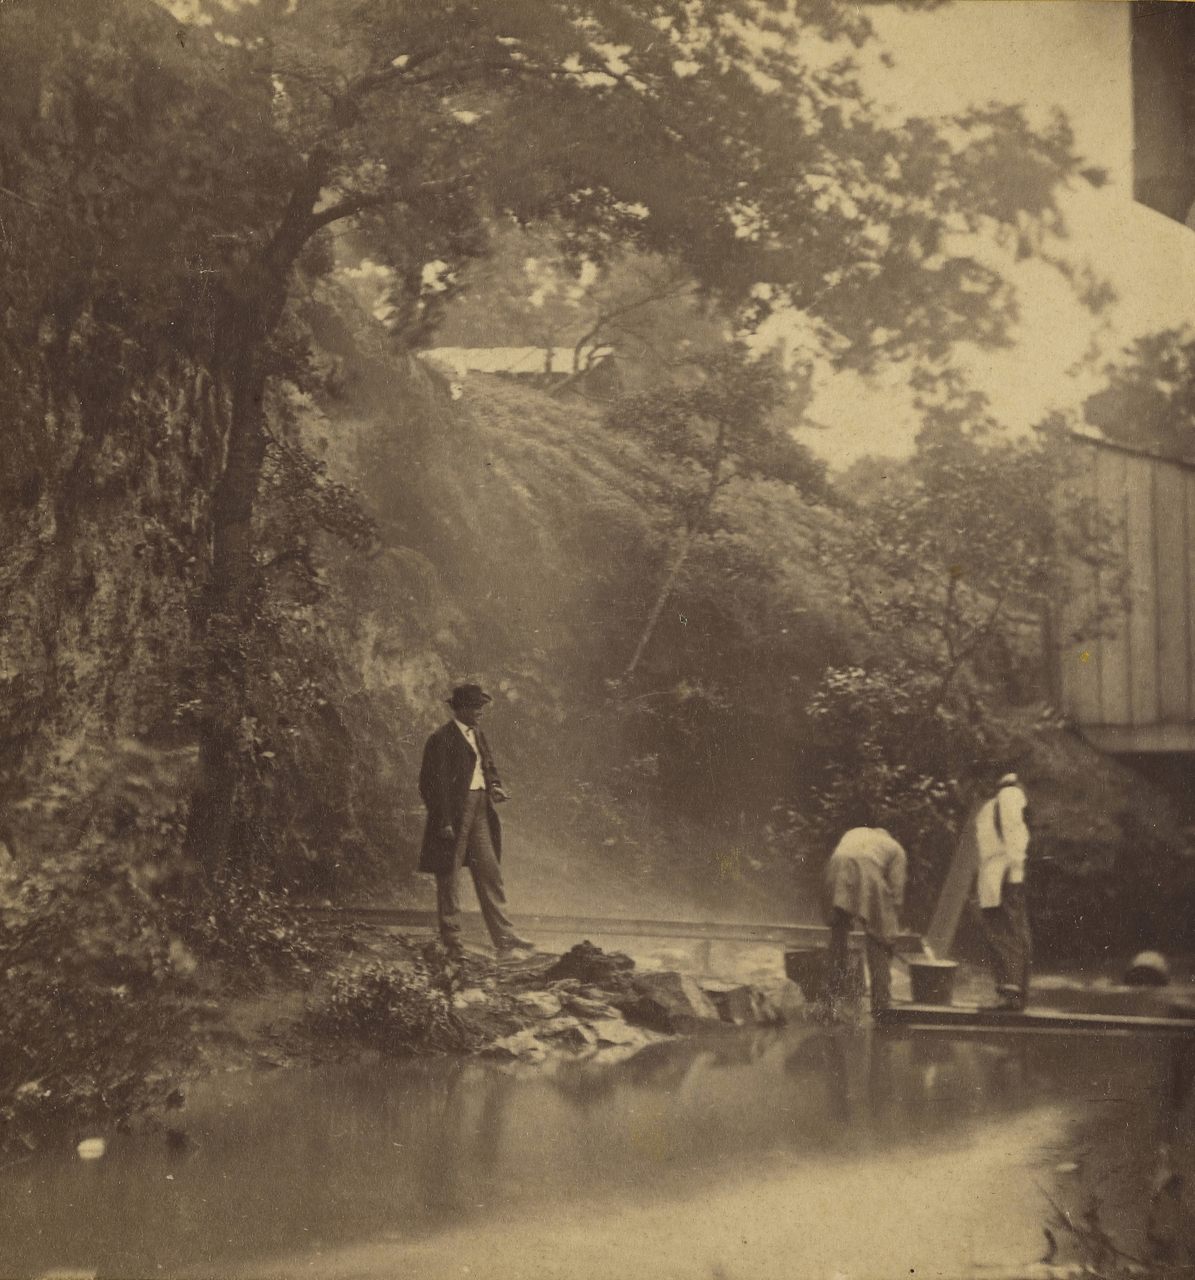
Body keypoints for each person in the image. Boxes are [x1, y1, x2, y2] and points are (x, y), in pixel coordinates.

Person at [418, 683, 534, 958]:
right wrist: (444, 820)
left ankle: (505, 937)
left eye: (481, 707)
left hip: (481, 808)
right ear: (461, 709)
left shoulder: (477, 734)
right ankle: (452, 940)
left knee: (490, 872)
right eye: (475, 707)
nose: (481, 712)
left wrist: (494, 785)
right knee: (449, 874)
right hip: (453, 814)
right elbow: (432, 784)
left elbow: (487, 765)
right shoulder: (441, 739)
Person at [823, 823, 908, 1016]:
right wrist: (891, 929)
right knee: (879, 938)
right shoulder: (895, 849)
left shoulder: (856, 832)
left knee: (838, 935)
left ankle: (829, 1001)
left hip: (834, 867)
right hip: (865, 869)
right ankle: (881, 1005)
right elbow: (896, 892)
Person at [975, 771, 1032, 1011]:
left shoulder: (1001, 800)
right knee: (1009, 931)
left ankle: (1010, 993)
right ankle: (1012, 991)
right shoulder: (1004, 799)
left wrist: (1012, 867)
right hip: (1002, 875)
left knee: (1005, 932)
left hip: (1001, 875)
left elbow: (1012, 835)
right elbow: (1013, 835)